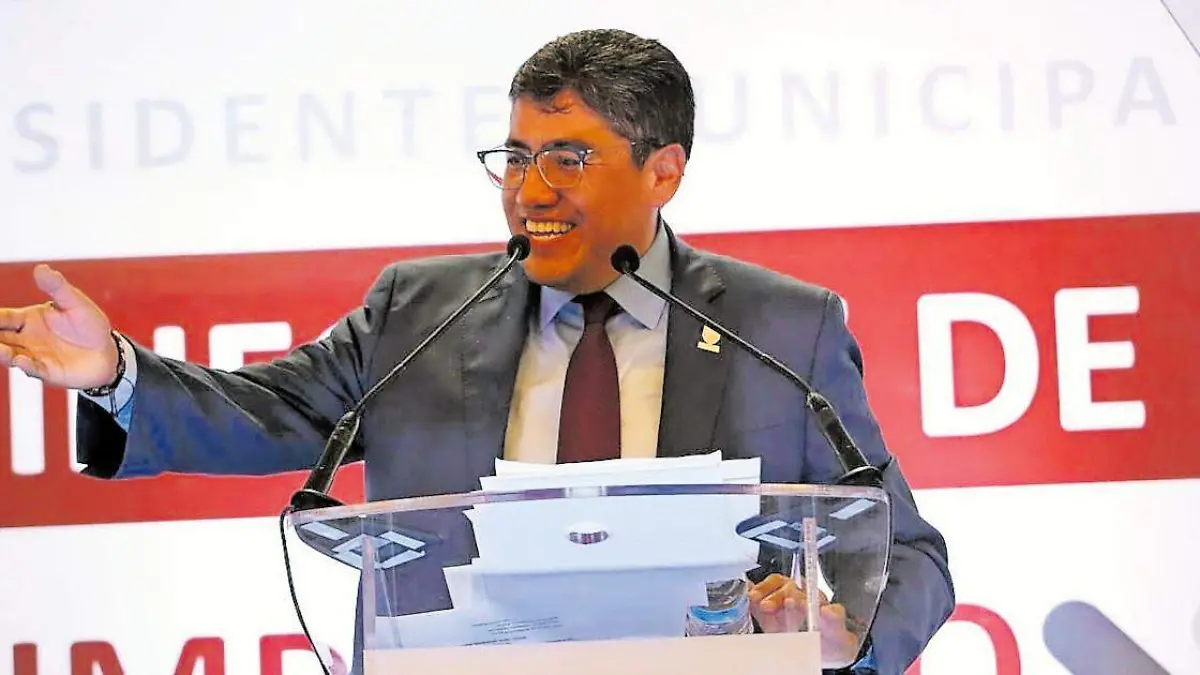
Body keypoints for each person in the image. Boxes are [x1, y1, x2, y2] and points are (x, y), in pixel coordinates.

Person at [0, 28, 952, 674]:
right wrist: (114, 373)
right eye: (516, 157)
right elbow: (272, 411)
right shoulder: (418, 310)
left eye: (567, 158)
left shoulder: (782, 327)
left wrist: (846, 639)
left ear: (662, 170)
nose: (528, 191)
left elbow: (908, 551)